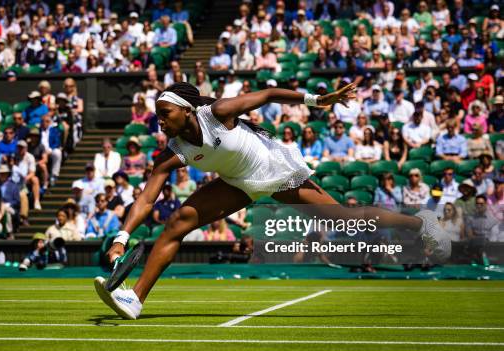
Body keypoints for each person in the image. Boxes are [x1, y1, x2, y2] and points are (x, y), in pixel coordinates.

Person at [94, 81, 451, 319]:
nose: (159, 121)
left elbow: (265, 95)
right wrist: (121, 239)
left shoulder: (217, 112)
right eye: (157, 115)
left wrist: (316, 101)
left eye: (165, 113)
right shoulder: (172, 152)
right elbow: (146, 198)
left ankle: (421, 222)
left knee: (346, 220)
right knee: (177, 225)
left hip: (273, 169)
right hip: (237, 182)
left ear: (187, 109)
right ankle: (135, 299)